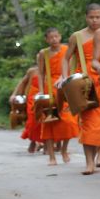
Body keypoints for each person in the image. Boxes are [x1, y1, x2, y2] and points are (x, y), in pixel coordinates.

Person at [66, 5, 100, 175]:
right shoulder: (77, 36)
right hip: (85, 86)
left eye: (98, 17)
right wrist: (65, 79)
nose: (95, 20)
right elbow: (66, 59)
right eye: (91, 17)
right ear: (86, 17)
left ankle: (99, 156)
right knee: (88, 124)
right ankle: (89, 162)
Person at [36, 28, 79, 165]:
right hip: (50, 87)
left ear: (60, 37)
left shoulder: (67, 49)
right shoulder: (44, 53)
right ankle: (51, 156)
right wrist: (42, 91)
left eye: (56, 36)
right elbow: (41, 73)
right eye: (51, 37)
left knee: (69, 121)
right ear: (46, 39)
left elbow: (72, 66)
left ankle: (64, 150)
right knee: (49, 122)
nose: (54, 40)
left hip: (64, 86)